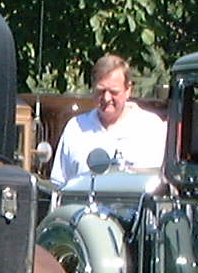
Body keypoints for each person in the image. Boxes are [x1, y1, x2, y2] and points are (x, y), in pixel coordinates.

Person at [50, 54, 167, 184]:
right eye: (101, 91)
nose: (106, 98)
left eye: (113, 92)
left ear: (128, 90)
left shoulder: (151, 127)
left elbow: (160, 185)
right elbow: (59, 184)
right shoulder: (76, 128)